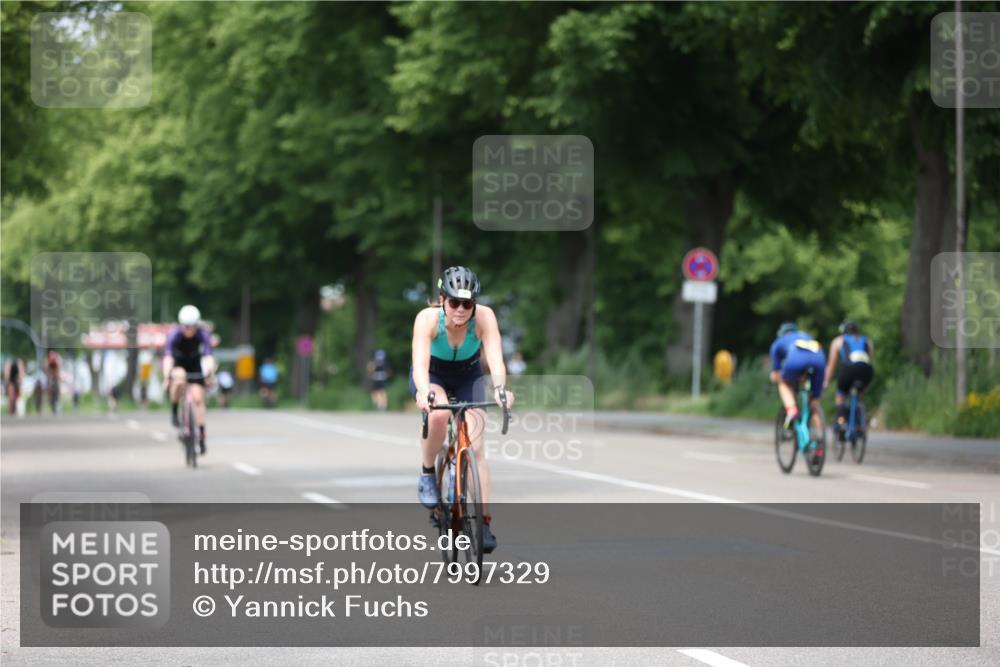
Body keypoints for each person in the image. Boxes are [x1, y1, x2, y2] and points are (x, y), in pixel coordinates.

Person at [410, 266, 515, 554]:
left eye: (467, 304)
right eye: (454, 302)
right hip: (434, 376)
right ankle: (428, 472)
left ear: (475, 304)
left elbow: (495, 360)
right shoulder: (427, 320)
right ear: (443, 299)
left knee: (477, 449)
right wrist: (424, 391)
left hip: (469, 376)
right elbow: (419, 365)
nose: (460, 309)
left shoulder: (484, 318)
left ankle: (483, 522)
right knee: (440, 414)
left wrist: (500, 389)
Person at [162, 305, 216, 454]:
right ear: (182, 325)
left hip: (194, 365)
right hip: (178, 364)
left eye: (192, 326)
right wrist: (167, 376)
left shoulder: (202, 335)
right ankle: (174, 409)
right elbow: (167, 358)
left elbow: (208, 356)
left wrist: (209, 373)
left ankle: (202, 434)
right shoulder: (174, 335)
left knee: (198, 399)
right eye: (186, 326)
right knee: (179, 379)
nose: (189, 330)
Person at [769, 322, 826, 432]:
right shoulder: (807, 337)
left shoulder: (778, 342)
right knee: (814, 403)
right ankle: (819, 441)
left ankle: (792, 410)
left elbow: (776, 373)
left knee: (783, 382)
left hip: (796, 360)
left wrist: (774, 377)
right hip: (819, 359)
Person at [823, 320, 875, 441]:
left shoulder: (838, 341)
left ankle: (842, 423)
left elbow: (831, 366)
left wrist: (826, 382)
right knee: (860, 393)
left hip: (848, 370)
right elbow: (869, 360)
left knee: (841, 396)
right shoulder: (867, 341)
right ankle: (860, 421)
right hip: (866, 370)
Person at [46, 350, 61, 414]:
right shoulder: (49, 363)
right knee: (50, 389)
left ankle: (56, 404)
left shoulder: (56, 363)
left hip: (55, 380)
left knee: (56, 390)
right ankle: (51, 401)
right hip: (51, 380)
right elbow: (48, 371)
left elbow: (57, 372)